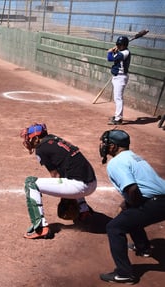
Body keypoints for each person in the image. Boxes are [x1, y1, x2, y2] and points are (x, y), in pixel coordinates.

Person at [98, 129, 165, 284]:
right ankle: (143, 247)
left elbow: (132, 188)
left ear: (114, 146)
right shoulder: (134, 156)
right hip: (160, 199)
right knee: (130, 216)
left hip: (156, 203)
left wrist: (132, 205)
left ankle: (124, 273)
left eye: (106, 143)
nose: (103, 146)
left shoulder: (116, 163)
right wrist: (129, 205)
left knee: (114, 227)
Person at [20, 123, 97, 239]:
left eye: (29, 138)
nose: (28, 142)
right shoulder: (54, 139)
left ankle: (40, 228)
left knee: (31, 183)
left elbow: (55, 175)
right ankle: (84, 211)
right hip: (92, 182)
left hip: (79, 187)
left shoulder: (41, 148)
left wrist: (65, 196)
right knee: (71, 174)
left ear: (36, 138)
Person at [107, 36, 131, 125]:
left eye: (120, 45)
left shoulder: (125, 53)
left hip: (121, 77)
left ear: (125, 45)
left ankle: (118, 119)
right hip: (117, 76)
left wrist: (110, 52)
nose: (119, 46)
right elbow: (116, 56)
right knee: (117, 98)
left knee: (118, 98)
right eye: (118, 44)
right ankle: (118, 116)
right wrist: (115, 51)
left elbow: (110, 58)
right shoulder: (121, 51)